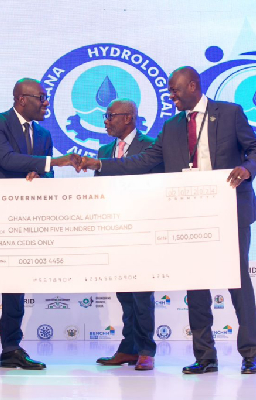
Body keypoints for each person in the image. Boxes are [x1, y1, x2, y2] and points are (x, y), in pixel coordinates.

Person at [79, 66, 256, 375]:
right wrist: (99, 162)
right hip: (189, 216)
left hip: (229, 209)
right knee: (196, 286)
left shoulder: (230, 113)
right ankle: (205, 356)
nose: (171, 95)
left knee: (238, 283)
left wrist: (246, 169)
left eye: (175, 90)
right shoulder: (173, 126)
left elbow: (255, 149)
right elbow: (145, 160)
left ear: (193, 85)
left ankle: (249, 354)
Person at [0, 78, 76, 370]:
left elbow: (44, 175)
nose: (46, 103)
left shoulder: (43, 134)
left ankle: (11, 348)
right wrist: (49, 164)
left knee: (16, 284)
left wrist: (40, 176)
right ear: (21, 99)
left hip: (22, 218)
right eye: (41, 97)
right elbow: (5, 158)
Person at [94, 99, 163, 371]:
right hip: (115, 231)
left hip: (143, 229)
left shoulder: (151, 146)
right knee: (124, 293)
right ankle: (128, 348)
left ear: (128, 118)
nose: (106, 121)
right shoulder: (103, 150)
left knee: (141, 294)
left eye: (110, 116)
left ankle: (147, 349)